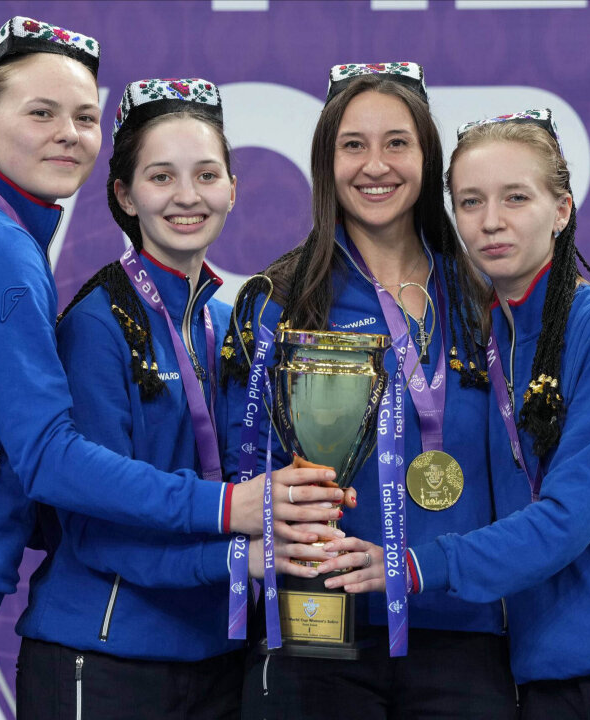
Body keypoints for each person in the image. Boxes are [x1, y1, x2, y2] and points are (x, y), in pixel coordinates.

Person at [0, 19, 340, 719]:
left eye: (83, 117)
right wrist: (229, 509)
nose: (67, 134)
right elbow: (49, 460)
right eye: (41, 113)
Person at [337, 109, 590, 719]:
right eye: (471, 201)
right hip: (543, 674)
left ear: (561, 210)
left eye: (516, 197)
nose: (491, 221)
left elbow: (572, 513)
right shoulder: (483, 342)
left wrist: (414, 564)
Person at [13, 77, 334, 720]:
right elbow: (93, 529)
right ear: (124, 195)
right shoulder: (96, 325)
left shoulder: (235, 323)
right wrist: (237, 552)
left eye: (206, 175)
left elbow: (254, 476)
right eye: (161, 177)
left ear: (232, 189)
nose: (188, 197)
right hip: (103, 656)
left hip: (218, 659)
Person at [223, 62, 517, 720]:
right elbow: (239, 468)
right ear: (326, 162)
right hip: (318, 627)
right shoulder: (278, 301)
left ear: (428, 157)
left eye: (397, 143)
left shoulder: (484, 296)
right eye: (353, 145)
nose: (375, 165)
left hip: (462, 630)